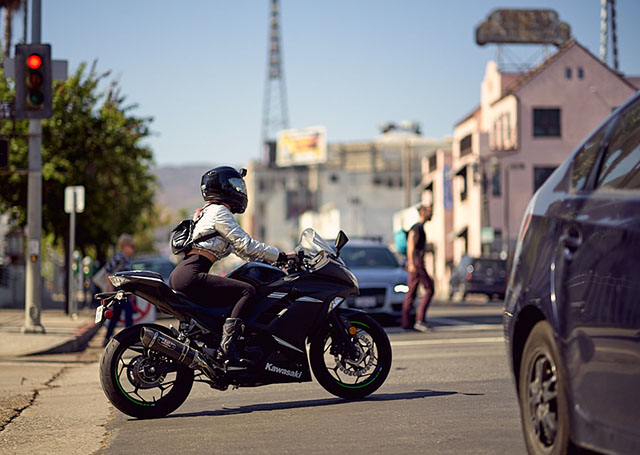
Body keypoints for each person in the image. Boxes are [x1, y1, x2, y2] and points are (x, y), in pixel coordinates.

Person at [169, 166, 289, 367]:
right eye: (235, 186)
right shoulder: (219, 212)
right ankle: (229, 347)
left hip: (184, 272)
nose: (239, 190)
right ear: (224, 188)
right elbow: (246, 244)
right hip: (192, 273)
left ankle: (219, 343)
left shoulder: (205, 212)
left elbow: (240, 250)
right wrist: (281, 255)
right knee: (247, 291)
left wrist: (272, 259)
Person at [401, 204, 434, 332]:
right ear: (423, 212)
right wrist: (412, 264)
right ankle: (420, 320)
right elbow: (411, 246)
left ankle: (406, 323)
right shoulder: (416, 228)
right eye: (429, 211)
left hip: (416, 262)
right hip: (417, 263)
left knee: (412, 292)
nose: (432, 213)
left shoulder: (420, 228)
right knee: (430, 289)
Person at [103, 234, 137, 345]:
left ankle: (107, 337)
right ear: (124, 246)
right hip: (119, 292)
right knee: (128, 313)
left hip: (126, 292)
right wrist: (110, 287)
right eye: (131, 246)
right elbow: (107, 272)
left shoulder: (128, 259)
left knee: (116, 315)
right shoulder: (118, 258)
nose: (133, 248)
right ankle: (129, 337)